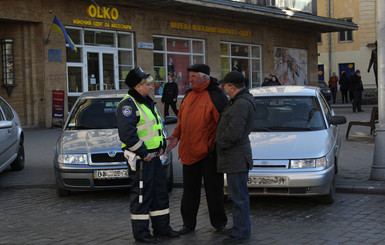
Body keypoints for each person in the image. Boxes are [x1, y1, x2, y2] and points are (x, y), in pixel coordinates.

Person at [116, 67, 179, 243]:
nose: (150, 87)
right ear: (137, 86)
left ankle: (162, 229)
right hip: (142, 159)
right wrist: (143, 153)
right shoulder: (127, 105)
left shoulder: (146, 102)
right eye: (147, 84)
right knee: (142, 196)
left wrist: (162, 146)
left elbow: (155, 128)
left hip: (154, 157)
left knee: (160, 194)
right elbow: (128, 135)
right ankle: (142, 233)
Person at [166, 64, 228, 235]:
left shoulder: (216, 97)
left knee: (214, 191)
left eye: (193, 76)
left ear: (204, 77)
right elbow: (181, 120)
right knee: (189, 192)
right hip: (188, 152)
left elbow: (223, 126)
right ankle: (188, 224)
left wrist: (214, 145)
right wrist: (176, 135)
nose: (190, 79)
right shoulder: (188, 96)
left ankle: (219, 223)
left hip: (209, 154)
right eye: (190, 76)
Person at [216, 71, 256, 244]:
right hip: (235, 156)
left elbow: (234, 133)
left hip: (236, 156)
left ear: (232, 87)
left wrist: (219, 143)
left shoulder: (240, 104)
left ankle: (241, 231)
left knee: (239, 197)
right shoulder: (239, 101)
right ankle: (240, 227)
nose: (223, 88)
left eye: (224, 85)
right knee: (237, 195)